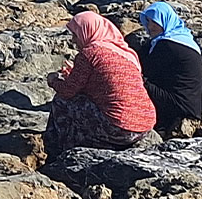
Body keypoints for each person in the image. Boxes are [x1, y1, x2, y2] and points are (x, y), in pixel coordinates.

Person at [44, 12, 157, 157]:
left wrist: (54, 80)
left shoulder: (89, 53)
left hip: (118, 126)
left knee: (62, 101)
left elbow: (68, 91)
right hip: (145, 125)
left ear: (87, 32)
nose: (73, 40)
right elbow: (109, 83)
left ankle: (59, 151)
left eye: (76, 35)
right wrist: (74, 75)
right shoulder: (126, 54)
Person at [139, 2, 202, 130]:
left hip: (179, 106)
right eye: (148, 21)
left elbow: (145, 69)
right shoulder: (184, 38)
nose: (150, 26)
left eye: (155, 22)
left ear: (165, 21)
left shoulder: (167, 45)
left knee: (136, 81)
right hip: (193, 105)